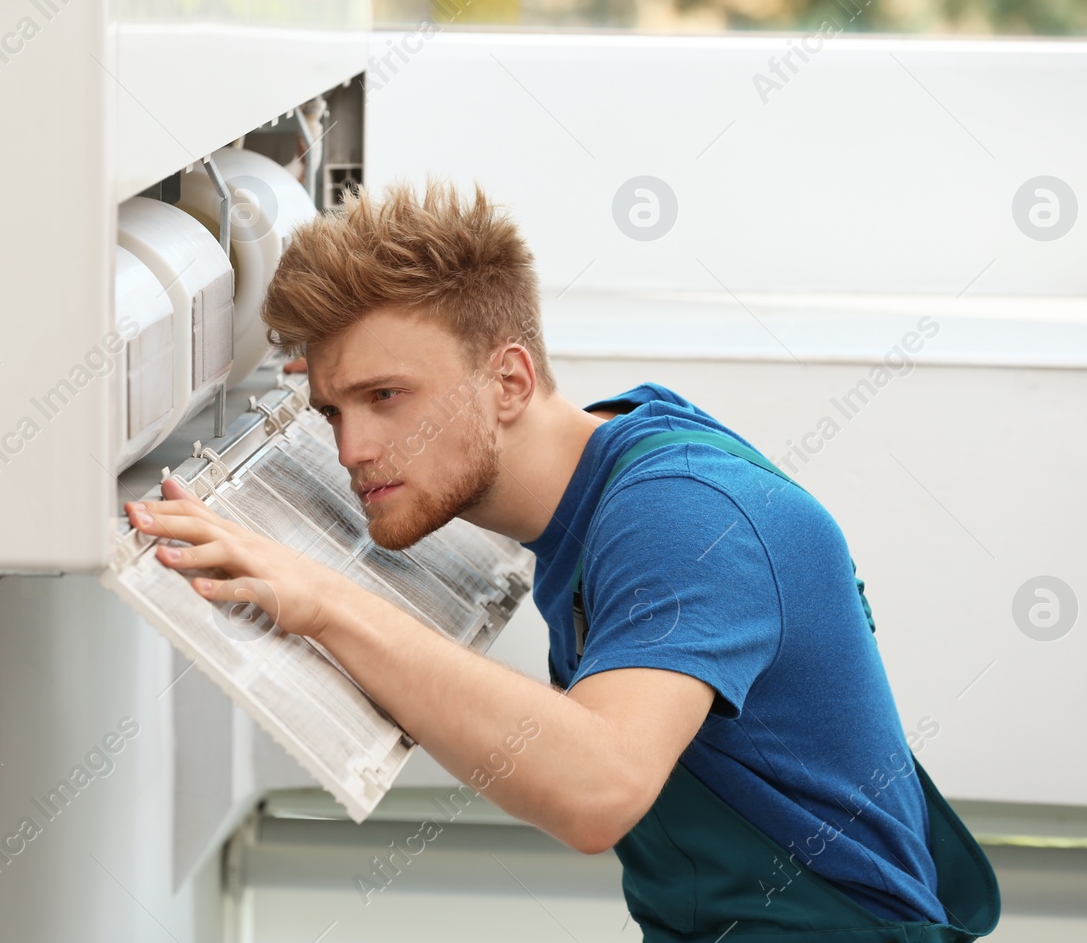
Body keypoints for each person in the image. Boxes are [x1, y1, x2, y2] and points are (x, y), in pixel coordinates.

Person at [124, 179, 998, 940]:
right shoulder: (603, 463)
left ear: (508, 380)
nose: (353, 447)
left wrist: (319, 598)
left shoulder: (685, 515)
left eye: (387, 397)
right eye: (332, 411)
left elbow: (597, 786)